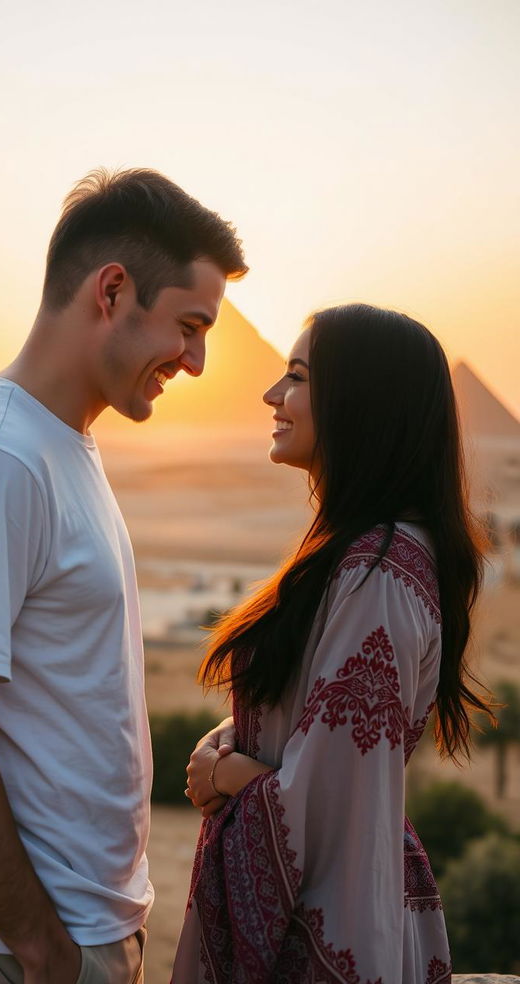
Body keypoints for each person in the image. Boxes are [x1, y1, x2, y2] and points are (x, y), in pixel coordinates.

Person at [0, 168, 247, 984]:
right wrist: (44, 947)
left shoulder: (56, 443)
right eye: (189, 325)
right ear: (113, 290)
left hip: (58, 936)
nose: (195, 360)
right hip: (10, 950)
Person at [176, 303, 492, 984]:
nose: (271, 395)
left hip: (325, 940)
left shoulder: (379, 574)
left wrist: (227, 776)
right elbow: (320, 724)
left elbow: (333, 802)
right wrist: (228, 737)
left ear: (361, 405)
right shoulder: (362, 556)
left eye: (296, 377)